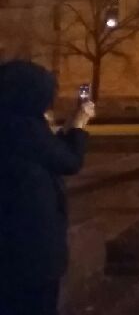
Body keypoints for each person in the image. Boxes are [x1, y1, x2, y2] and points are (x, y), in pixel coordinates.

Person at [0, 61, 94, 315]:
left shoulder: (12, 124)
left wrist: (65, 131)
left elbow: (46, 154)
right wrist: (79, 125)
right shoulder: (23, 127)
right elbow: (69, 161)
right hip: (30, 251)